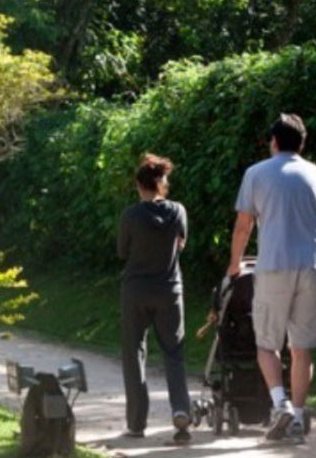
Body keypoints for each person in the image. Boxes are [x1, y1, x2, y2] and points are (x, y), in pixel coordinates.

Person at [226, 113, 316, 443]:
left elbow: (244, 225)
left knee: (266, 344)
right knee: (301, 349)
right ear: (302, 143)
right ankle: (299, 418)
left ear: (273, 142)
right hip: (314, 266)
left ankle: (280, 404)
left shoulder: (256, 173)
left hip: (273, 265)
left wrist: (234, 264)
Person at [118, 154, 192, 443]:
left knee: (134, 352)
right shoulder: (178, 211)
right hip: (169, 289)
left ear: (139, 185)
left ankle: (137, 423)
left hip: (135, 290)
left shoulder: (130, 215)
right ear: (162, 183)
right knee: (174, 353)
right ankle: (181, 411)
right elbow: (181, 243)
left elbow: (122, 252)